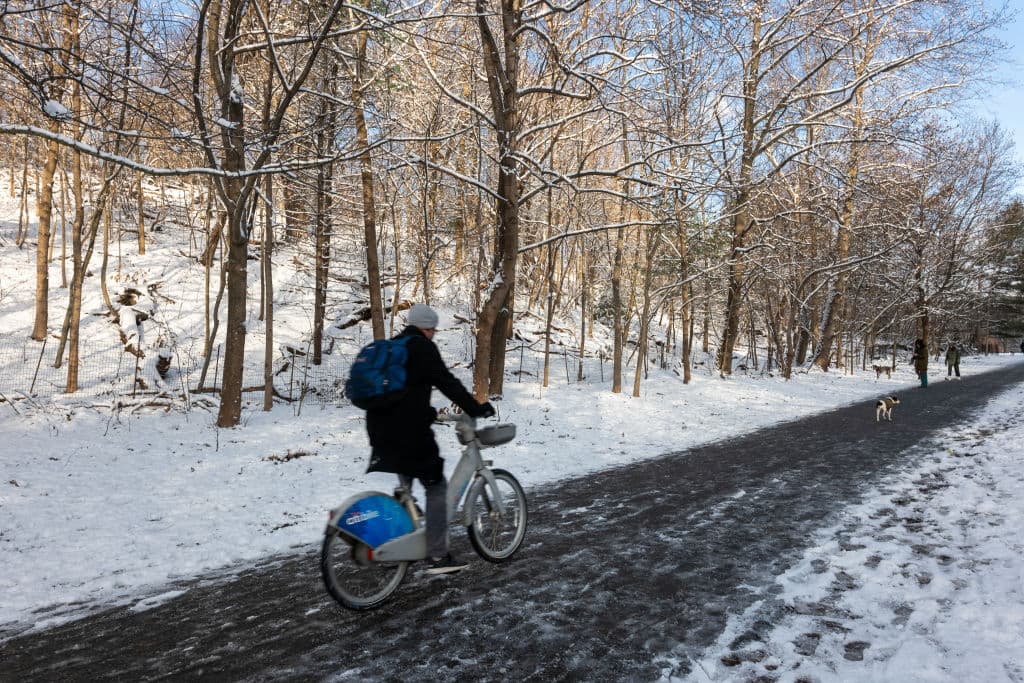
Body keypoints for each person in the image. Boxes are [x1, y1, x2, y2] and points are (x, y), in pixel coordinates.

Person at [365, 303, 495, 575]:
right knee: (436, 486)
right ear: (427, 328)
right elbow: (446, 382)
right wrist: (475, 407)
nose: (434, 334)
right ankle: (437, 556)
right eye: (433, 330)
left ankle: (396, 543)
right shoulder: (421, 347)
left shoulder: (391, 347)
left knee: (407, 487)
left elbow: (403, 390)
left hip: (379, 429)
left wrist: (426, 411)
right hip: (409, 432)